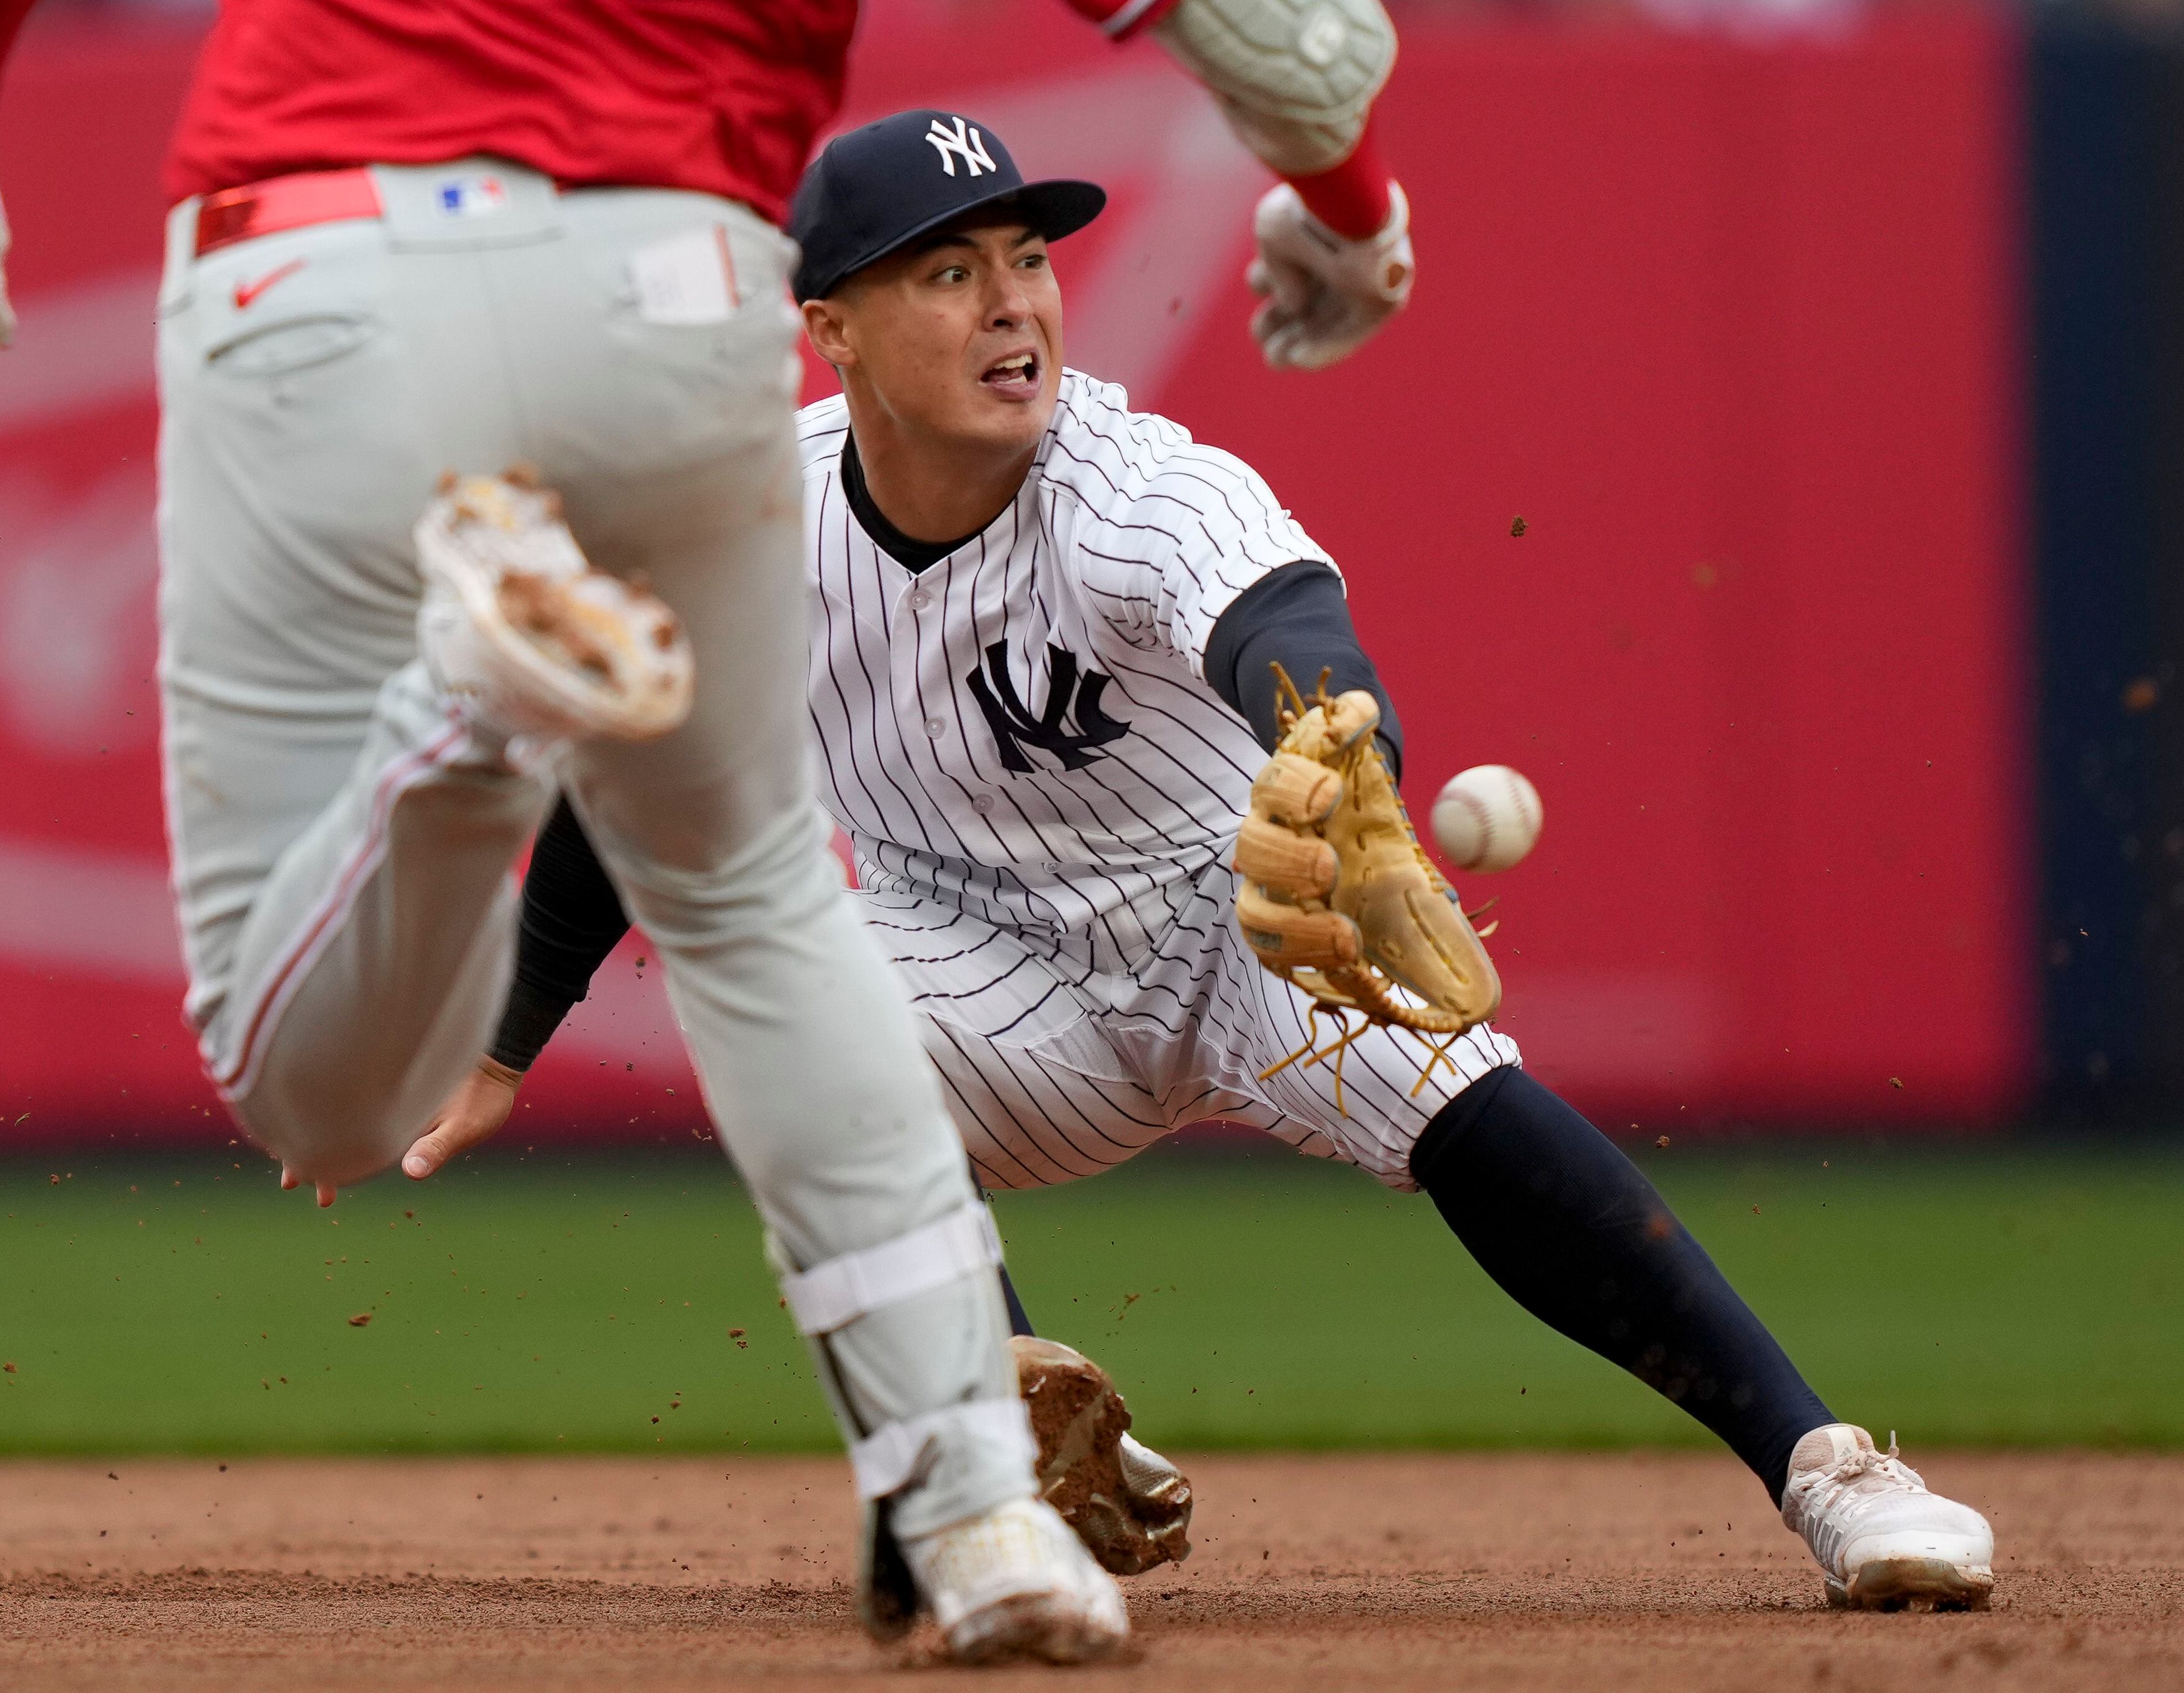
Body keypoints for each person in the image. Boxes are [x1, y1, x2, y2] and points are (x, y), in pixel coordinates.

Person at [0, 0, 1425, 1661]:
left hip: (318, 272)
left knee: (314, 1096)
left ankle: (474, 718)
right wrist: (1342, 211)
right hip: (672, 295)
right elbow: (1300, 28)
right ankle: (978, 1513)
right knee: (751, 899)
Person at [408, 107, 2004, 1616]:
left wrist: (1349, 767)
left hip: (1242, 917)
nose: (1010, 304)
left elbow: (1283, 629)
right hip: (973, 968)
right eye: (948, 272)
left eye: (1026, 258)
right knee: (784, 1011)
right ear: (828, 327)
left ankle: (1832, 1470)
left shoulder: (1131, 484)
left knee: (1468, 1101)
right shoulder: (749, 523)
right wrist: (497, 1045)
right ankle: (1009, 1439)